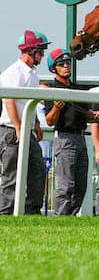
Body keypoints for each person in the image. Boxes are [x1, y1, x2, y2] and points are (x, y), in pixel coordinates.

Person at [41, 48, 99, 216]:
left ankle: (70, 217)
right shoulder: (52, 90)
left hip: (81, 139)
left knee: (81, 186)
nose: (67, 66)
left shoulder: (78, 90)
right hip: (65, 139)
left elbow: (84, 115)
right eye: (62, 64)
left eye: (68, 62)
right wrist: (55, 108)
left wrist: (95, 116)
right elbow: (49, 120)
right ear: (54, 68)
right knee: (66, 185)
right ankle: (61, 219)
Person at [0, 30, 50, 215]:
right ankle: (5, 214)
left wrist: (35, 123)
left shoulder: (33, 74)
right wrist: (20, 127)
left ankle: (32, 212)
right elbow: (9, 99)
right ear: (32, 51)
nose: (43, 55)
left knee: (37, 172)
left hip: (25, 131)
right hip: (11, 131)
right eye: (41, 51)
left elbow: (31, 101)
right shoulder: (13, 72)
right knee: (11, 176)